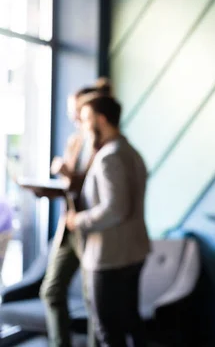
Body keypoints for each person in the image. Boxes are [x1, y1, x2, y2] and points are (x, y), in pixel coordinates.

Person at [65, 95, 150, 347]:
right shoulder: (131, 151)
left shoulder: (108, 157)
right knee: (130, 323)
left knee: (108, 330)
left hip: (110, 255)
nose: (82, 123)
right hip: (134, 251)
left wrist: (78, 220)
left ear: (101, 119)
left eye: (87, 118)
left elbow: (115, 209)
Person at [40, 78, 112, 347]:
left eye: (77, 112)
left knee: (93, 299)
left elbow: (97, 190)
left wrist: (70, 173)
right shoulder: (75, 141)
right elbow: (71, 187)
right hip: (69, 228)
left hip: (92, 230)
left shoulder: (104, 143)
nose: (73, 118)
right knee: (51, 290)